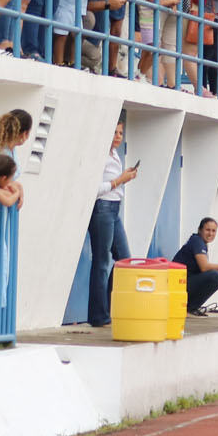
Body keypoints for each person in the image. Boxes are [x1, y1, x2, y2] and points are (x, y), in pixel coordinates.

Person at [87, 119, 138, 327]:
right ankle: (99, 315)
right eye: (115, 133)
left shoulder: (114, 155)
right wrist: (120, 180)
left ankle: (108, 307)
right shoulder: (100, 157)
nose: (118, 137)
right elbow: (94, 188)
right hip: (103, 208)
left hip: (115, 208)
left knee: (124, 259)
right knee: (101, 262)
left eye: (120, 133)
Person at [172, 218, 218, 316]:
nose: (210, 233)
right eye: (207, 230)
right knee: (216, 276)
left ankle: (191, 307)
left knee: (214, 275)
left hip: (184, 282)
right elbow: (204, 267)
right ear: (200, 230)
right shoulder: (197, 241)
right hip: (178, 284)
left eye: (213, 231)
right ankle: (190, 308)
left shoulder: (199, 242)